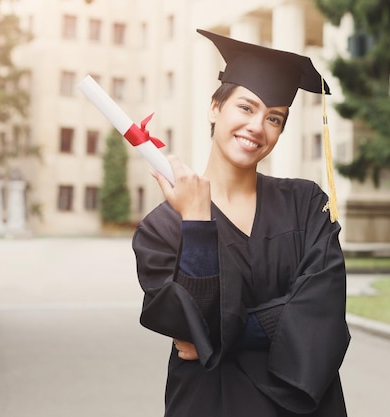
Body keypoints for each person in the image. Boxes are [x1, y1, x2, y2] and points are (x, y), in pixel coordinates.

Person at [132, 29, 350, 417]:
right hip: (209, 403)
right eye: (246, 108)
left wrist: (223, 335)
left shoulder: (305, 203)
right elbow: (187, 324)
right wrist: (197, 221)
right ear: (215, 108)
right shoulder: (162, 228)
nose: (257, 127)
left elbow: (323, 310)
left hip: (299, 404)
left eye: (274, 118)